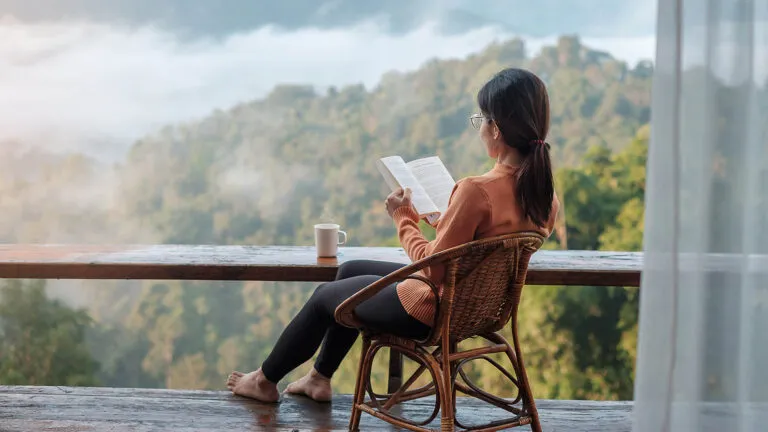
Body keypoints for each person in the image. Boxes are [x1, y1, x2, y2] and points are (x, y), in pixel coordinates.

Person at [226, 67, 560, 403]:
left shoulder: (477, 190)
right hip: (476, 308)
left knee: (324, 298)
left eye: (480, 121)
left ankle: (263, 381)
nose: (479, 129)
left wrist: (404, 219)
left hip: (432, 307)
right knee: (351, 270)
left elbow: (433, 268)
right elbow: (481, 246)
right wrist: (445, 222)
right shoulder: (544, 198)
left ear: (496, 129)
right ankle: (319, 377)